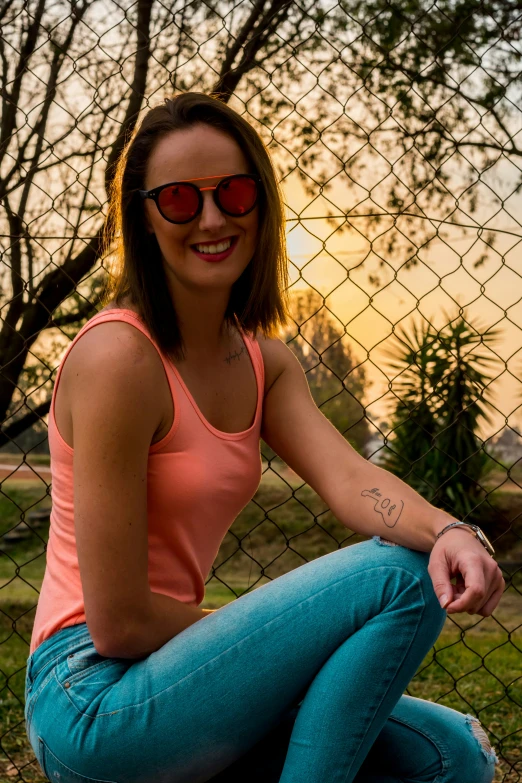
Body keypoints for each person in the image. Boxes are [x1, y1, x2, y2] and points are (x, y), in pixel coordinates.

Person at [24, 91, 503, 783]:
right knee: (400, 576)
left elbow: (351, 480)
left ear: (262, 205)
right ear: (145, 217)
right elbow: (119, 621)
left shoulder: (263, 361)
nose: (213, 218)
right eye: (181, 200)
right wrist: (267, 650)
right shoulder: (119, 358)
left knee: (451, 754)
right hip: (92, 698)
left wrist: (451, 527)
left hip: (179, 676)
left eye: (235, 193)